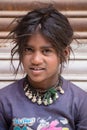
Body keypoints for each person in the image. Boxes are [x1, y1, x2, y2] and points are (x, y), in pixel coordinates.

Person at [0, 6, 87, 130]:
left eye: (46, 51)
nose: (36, 60)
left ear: (64, 54)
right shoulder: (4, 101)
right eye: (28, 49)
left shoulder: (81, 102)